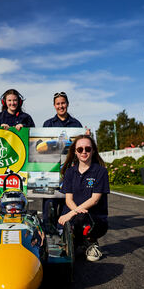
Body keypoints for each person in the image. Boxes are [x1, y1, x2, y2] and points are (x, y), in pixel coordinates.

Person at [58, 135, 109, 262]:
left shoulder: (101, 171)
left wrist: (72, 213)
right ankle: (79, 242)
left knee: (83, 220)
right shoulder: (69, 172)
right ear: (75, 152)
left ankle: (92, 243)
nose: (84, 152)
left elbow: (94, 200)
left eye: (87, 148)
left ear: (93, 151)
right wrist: (75, 212)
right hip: (74, 214)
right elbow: (68, 200)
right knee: (68, 249)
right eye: (80, 149)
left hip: (94, 217)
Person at [42, 92, 85, 227]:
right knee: (49, 208)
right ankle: (48, 233)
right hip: (52, 170)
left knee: (67, 205)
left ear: (67, 104)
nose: (61, 106)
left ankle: (66, 235)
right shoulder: (48, 124)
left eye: (63, 103)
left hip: (71, 170)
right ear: (54, 106)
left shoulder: (76, 124)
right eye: (58, 104)